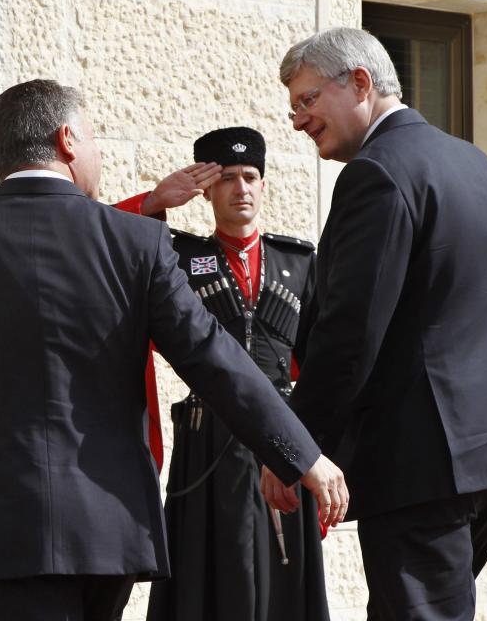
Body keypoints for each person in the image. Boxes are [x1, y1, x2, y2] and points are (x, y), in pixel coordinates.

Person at [0, 78, 349, 621]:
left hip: (2, 524)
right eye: (95, 136)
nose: (98, 151)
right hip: (110, 522)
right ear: (69, 140)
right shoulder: (135, 242)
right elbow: (214, 360)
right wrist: (301, 456)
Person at [263, 27, 487, 620]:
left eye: (308, 99)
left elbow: (348, 333)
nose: (297, 120)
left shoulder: (377, 172)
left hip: (424, 461)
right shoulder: (477, 165)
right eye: (293, 106)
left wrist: (295, 448)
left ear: (360, 82)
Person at [129, 127, 330, 621]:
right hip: (207, 443)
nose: (241, 188)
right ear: (208, 190)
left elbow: (323, 367)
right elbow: (104, 249)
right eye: (227, 179)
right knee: (210, 582)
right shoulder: (175, 257)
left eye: (250, 177)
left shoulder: (299, 262)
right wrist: (155, 201)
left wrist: (313, 456)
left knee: (284, 584)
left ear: (264, 186)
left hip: (283, 441)